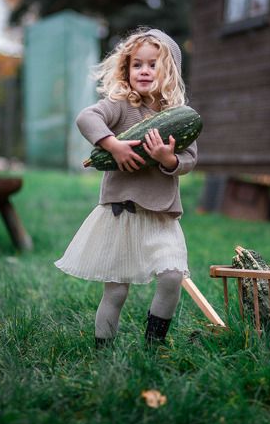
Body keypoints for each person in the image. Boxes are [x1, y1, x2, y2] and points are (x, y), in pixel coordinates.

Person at [55, 27, 198, 348]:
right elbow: (86, 117)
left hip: (162, 216)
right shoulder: (119, 105)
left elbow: (189, 160)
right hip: (122, 215)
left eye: (152, 64)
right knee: (116, 290)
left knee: (173, 276)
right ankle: (103, 349)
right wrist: (112, 145)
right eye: (137, 65)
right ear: (126, 70)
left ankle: (154, 343)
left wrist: (167, 158)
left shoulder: (178, 117)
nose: (144, 71)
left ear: (169, 71)